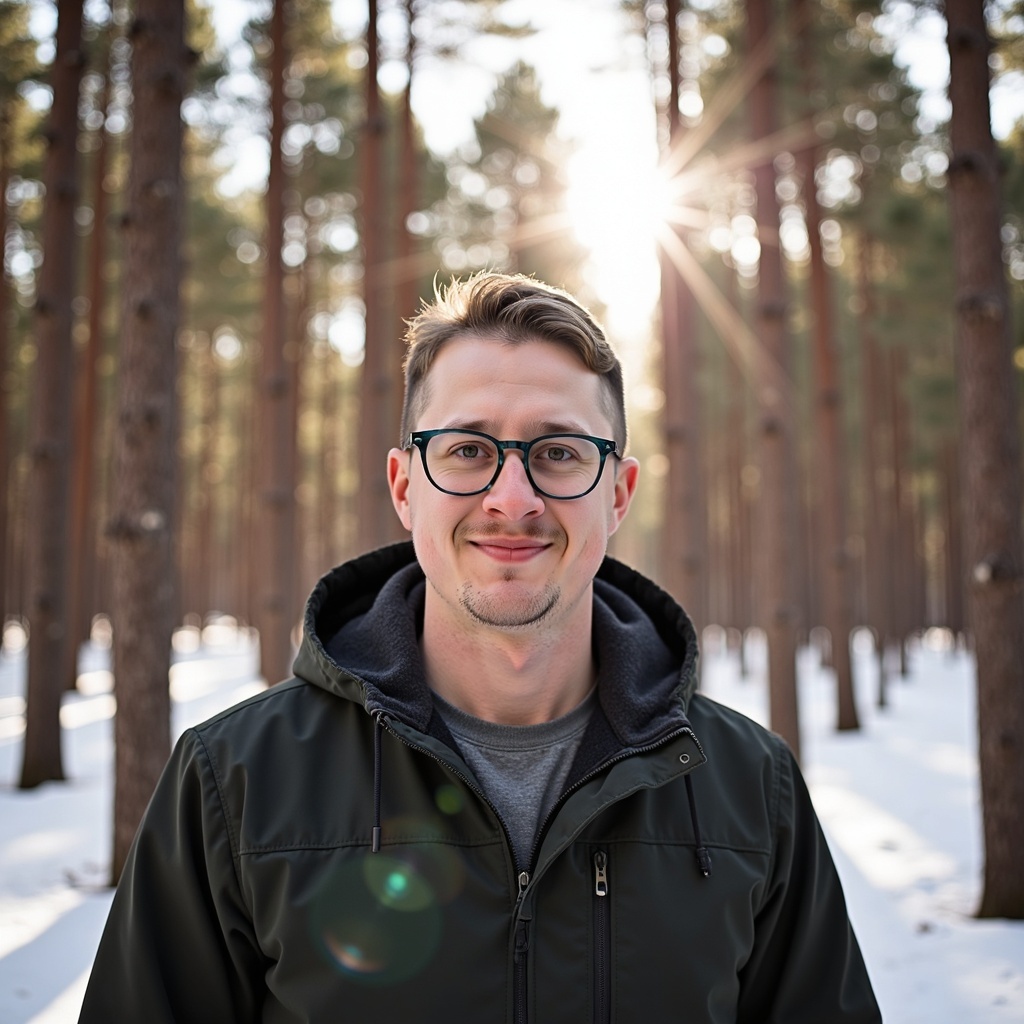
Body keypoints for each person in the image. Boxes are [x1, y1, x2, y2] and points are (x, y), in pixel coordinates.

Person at [79, 272, 881, 1023]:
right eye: (467, 450)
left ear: (618, 494)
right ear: (403, 487)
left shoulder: (750, 787)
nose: (512, 499)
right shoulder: (234, 781)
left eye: (559, 453)